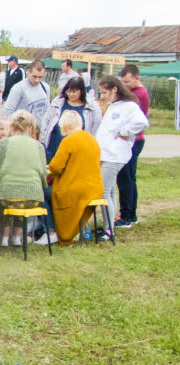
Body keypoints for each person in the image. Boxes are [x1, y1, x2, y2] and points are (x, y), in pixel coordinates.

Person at [95, 76, 149, 240]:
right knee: (109, 190)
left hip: (115, 154)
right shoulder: (113, 105)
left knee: (103, 191)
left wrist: (125, 132)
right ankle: (108, 225)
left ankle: (108, 230)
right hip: (106, 153)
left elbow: (142, 122)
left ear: (114, 89)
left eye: (105, 92)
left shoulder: (129, 106)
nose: (103, 96)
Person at [0, 110, 47, 246]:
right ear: (31, 127)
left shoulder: (5, 143)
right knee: (20, 197)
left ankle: (3, 237)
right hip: (33, 198)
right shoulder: (38, 146)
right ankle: (16, 237)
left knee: (6, 197)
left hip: (7, 197)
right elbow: (43, 173)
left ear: (13, 126)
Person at [47, 111, 103, 245]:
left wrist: (48, 167)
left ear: (65, 126)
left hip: (75, 190)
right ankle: (81, 229)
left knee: (44, 193)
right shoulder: (92, 140)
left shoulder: (69, 140)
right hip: (94, 189)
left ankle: (52, 231)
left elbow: (56, 167)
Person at [115, 65, 150, 228]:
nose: (125, 85)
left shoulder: (139, 95)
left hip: (133, 141)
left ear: (137, 78)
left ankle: (127, 216)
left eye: (127, 81)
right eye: (122, 82)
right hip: (134, 140)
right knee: (129, 178)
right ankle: (131, 214)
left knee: (125, 179)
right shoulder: (133, 93)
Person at [40, 76, 102, 162]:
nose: (71, 94)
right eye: (69, 91)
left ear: (81, 91)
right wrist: (43, 140)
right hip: (55, 146)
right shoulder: (58, 102)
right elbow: (46, 121)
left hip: (78, 150)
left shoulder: (92, 107)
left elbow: (96, 127)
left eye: (74, 91)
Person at [2, 59, 50, 127]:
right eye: (34, 76)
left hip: (40, 131)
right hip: (23, 131)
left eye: (40, 77)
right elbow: (7, 112)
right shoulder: (19, 88)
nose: (37, 80)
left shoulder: (45, 87)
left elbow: (48, 111)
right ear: (29, 72)